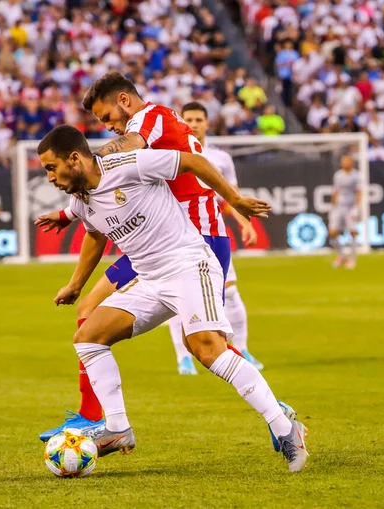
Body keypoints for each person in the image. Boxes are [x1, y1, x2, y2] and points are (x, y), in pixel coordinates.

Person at [37, 125, 309, 472]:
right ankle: (118, 428)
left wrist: (235, 200)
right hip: (150, 280)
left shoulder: (129, 165)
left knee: (206, 347)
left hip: (187, 265)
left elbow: (193, 161)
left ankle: (286, 429)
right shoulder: (81, 199)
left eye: (50, 167)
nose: (48, 177)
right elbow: (94, 235)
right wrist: (75, 285)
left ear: (74, 158)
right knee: (88, 338)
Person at [36, 73, 243, 440]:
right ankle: (94, 416)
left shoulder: (147, 118)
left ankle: (275, 408)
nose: (109, 126)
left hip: (189, 236)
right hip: (163, 239)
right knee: (89, 317)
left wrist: (88, 157)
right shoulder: (152, 121)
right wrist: (69, 213)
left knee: (205, 344)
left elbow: (128, 147)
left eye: (106, 117)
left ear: (124, 101)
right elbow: (105, 194)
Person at [172, 102, 264, 373]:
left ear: (207, 123)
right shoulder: (171, 155)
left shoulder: (221, 158)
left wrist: (246, 224)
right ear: (181, 121)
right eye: (189, 118)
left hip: (213, 232)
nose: (195, 123)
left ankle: (243, 348)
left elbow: (231, 196)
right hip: (180, 236)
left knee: (231, 292)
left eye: (199, 119)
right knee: (180, 300)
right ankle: (184, 358)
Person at [329, 154, 362, 269]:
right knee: (333, 231)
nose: (344, 164)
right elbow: (335, 191)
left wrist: (356, 208)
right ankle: (342, 255)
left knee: (352, 232)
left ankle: (352, 259)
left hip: (350, 207)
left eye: (346, 161)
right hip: (339, 206)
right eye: (343, 161)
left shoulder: (356, 176)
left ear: (351, 163)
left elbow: (359, 192)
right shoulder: (338, 175)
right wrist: (332, 207)